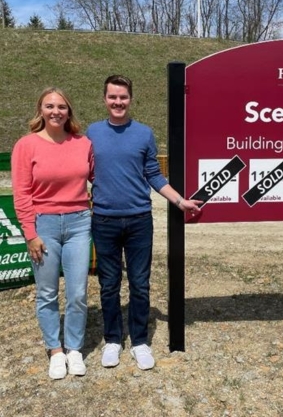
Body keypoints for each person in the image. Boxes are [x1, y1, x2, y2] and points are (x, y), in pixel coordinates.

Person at [86, 74, 201, 371]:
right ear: (104, 99)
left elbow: (154, 175)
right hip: (104, 220)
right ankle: (113, 339)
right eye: (112, 97)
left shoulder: (144, 134)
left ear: (130, 99)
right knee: (109, 284)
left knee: (140, 283)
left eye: (123, 97)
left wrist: (179, 201)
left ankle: (139, 341)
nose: (118, 102)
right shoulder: (92, 133)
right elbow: (81, 171)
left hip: (139, 221)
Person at [11, 87, 94, 380]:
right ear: (41, 110)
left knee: (78, 292)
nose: (56, 111)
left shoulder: (83, 143)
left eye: (61, 106)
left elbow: (97, 177)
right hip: (43, 225)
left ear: (68, 111)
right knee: (47, 292)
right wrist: (30, 233)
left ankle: (73, 348)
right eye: (49, 106)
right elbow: (21, 193)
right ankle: (55, 351)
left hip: (79, 223)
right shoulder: (26, 145)